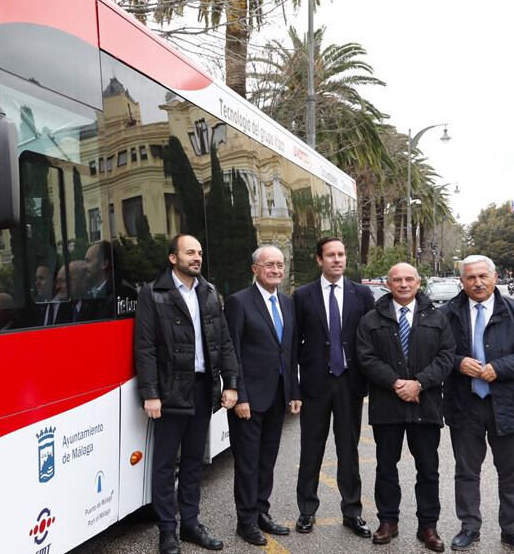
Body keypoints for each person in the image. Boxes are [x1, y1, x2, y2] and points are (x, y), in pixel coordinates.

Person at [133, 234, 239, 554]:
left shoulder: (208, 292)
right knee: (166, 464)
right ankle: (167, 531)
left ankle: (191, 524)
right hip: (169, 390)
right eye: (189, 252)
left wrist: (231, 382)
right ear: (173, 258)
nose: (197, 257)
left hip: (203, 387)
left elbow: (224, 342)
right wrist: (151, 393)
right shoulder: (153, 294)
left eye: (200, 253)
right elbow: (145, 348)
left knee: (194, 461)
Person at [439, 255, 514, 553]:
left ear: (495, 277)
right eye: (471, 278)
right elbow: (434, 353)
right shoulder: (447, 313)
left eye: (482, 276)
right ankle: (469, 527)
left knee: (512, 472)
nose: (477, 283)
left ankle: (512, 530)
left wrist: (500, 367)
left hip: (511, 404)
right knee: (466, 471)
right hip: (465, 403)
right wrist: (458, 362)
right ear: (461, 281)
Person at [356, 263, 455, 552]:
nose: (403, 284)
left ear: (418, 282)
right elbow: (366, 358)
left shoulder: (437, 318)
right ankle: (388, 521)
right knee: (386, 467)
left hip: (426, 405)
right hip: (388, 405)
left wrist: (420, 384)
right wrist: (397, 384)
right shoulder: (371, 319)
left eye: (408, 279)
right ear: (387, 283)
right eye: (397, 279)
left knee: (428, 469)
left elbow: (446, 357)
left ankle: (428, 526)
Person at [292, 237, 375, 539]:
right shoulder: (302, 296)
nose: (337, 260)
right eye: (330, 255)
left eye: (341, 254)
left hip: (349, 383)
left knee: (348, 450)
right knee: (311, 448)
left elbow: (370, 337)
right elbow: (293, 342)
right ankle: (306, 510)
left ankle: (352, 512)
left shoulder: (362, 293)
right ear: (319, 260)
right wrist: (294, 387)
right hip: (315, 382)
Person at [224, 246, 301, 546]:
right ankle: (246, 521)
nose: (276, 270)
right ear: (255, 269)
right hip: (249, 399)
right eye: (269, 265)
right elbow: (232, 354)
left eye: (280, 265)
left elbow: (290, 350)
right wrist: (239, 395)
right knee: (247, 462)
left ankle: (261, 512)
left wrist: (294, 390)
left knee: (267, 460)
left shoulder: (287, 302)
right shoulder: (238, 302)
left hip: (278, 396)